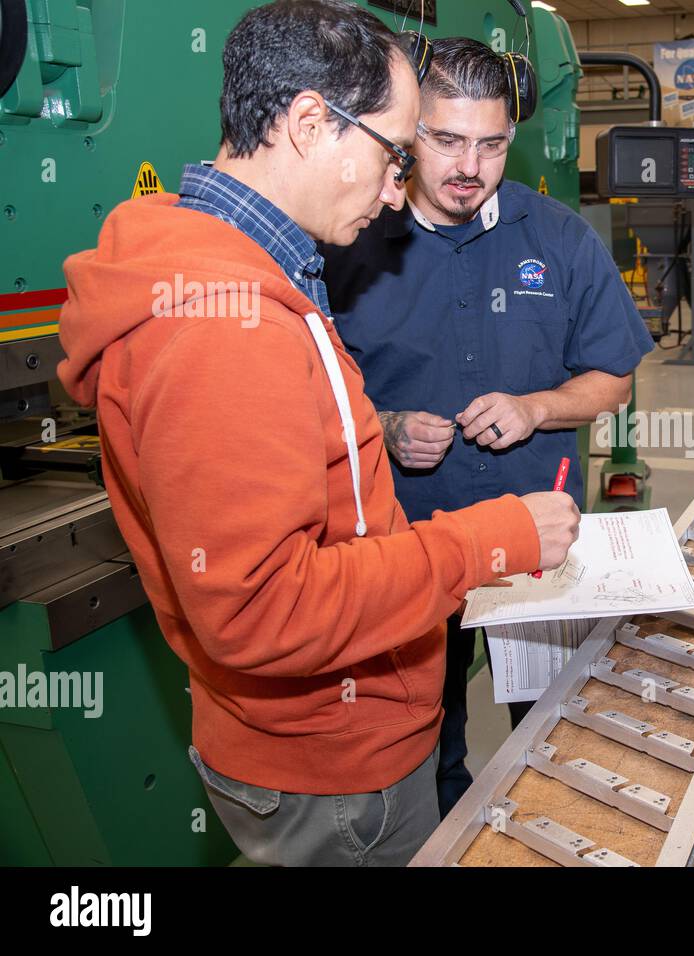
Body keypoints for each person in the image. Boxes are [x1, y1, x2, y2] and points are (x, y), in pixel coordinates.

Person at [55, 0, 578, 867]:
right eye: (392, 155)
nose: (393, 188)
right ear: (307, 123)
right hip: (335, 773)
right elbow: (266, 609)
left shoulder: (248, 275)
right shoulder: (227, 325)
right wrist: (490, 540)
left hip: (328, 737)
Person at [324, 36, 653, 817]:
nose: (468, 166)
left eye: (491, 144)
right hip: (402, 551)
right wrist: (388, 423)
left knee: (551, 734)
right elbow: (306, 396)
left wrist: (538, 407)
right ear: (408, 134)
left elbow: (616, 379)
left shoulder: (560, 239)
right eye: (444, 141)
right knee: (419, 741)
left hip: (531, 549)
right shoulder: (351, 239)